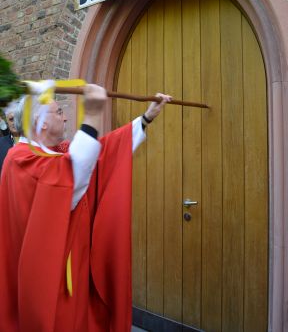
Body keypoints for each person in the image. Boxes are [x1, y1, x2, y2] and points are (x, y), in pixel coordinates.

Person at [0, 84, 171, 332]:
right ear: (41, 122)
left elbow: (103, 153)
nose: (66, 116)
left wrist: (145, 119)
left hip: (76, 267)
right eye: (59, 112)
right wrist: (91, 115)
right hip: (49, 279)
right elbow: (68, 181)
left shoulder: (54, 152)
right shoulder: (20, 159)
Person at [0, 101, 20, 173]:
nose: (15, 122)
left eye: (18, 119)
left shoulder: (35, 142)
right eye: (11, 119)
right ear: (7, 122)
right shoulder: (1, 143)